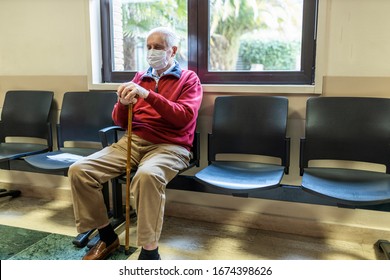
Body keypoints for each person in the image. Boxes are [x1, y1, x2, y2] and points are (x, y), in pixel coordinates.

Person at [68, 26, 203, 260]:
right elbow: (120, 121)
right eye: (148, 47)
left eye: (158, 47)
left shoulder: (189, 79)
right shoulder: (140, 78)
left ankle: (150, 253)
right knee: (80, 170)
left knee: (147, 176)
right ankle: (107, 236)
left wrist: (149, 96)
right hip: (133, 141)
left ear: (173, 51)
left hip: (170, 147)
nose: (151, 51)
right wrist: (122, 102)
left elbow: (183, 118)